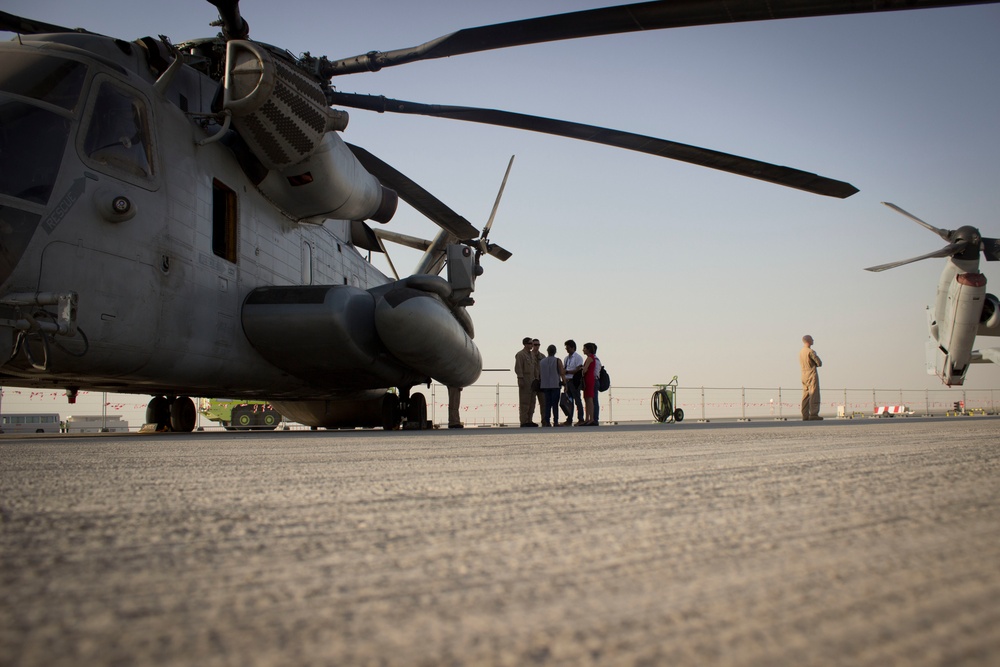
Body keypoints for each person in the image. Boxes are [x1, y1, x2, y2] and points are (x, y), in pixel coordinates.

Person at [514, 337, 540, 427]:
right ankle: (524, 421)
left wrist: (537, 378)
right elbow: (518, 367)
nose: (531, 345)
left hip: (532, 380)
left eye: (532, 343)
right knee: (524, 402)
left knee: (532, 401)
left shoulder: (532, 355)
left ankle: (530, 420)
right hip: (525, 379)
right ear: (525, 344)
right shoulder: (520, 355)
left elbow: (535, 367)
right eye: (530, 343)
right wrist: (520, 378)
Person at [539, 345, 566, 426]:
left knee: (547, 404)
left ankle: (547, 420)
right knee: (555, 404)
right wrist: (564, 383)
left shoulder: (542, 361)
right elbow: (562, 373)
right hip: (555, 385)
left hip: (545, 385)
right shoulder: (557, 361)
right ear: (555, 351)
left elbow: (540, 373)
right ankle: (556, 421)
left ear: (547, 351)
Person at [800, 334, 823, 421]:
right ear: (809, 341)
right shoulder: (811, 351)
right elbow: (819, 363)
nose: (813, 340)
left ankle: (804, 414)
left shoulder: (801, 352)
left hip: (803, 374)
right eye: (812, 339)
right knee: (814, 393)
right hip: (811, 373)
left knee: (805, 395)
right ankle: (814, 413)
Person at [562, 340, 584, 425]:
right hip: (567, 381)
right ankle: (569, 419)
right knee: (569, 401)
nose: (567, 349)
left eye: (568, 348)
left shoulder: (578, 357)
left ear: (572, 348)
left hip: (574, 381)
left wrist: (567, 372)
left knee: (577, 400)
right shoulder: (566, 358)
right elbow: (563, 370)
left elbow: (578, 370)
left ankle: (580, 418)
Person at [578, 342, 598, 425]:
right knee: (586, 398)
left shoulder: (590, 358)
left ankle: (591, 418)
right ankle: (587, 418)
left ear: (589, 349)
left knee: (589, 399)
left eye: (585, 348)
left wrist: (581, 369)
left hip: (589, 378)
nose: (583, 350)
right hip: (587, 378)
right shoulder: (590, 358)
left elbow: (585, 369)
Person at [591, 343, 602, 426]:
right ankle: (594, 418)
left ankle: (594, 419)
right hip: (596, 380)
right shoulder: (597, 360)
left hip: (594, 380)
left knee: (594, 400)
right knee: (594, 400)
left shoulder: (593, 359)